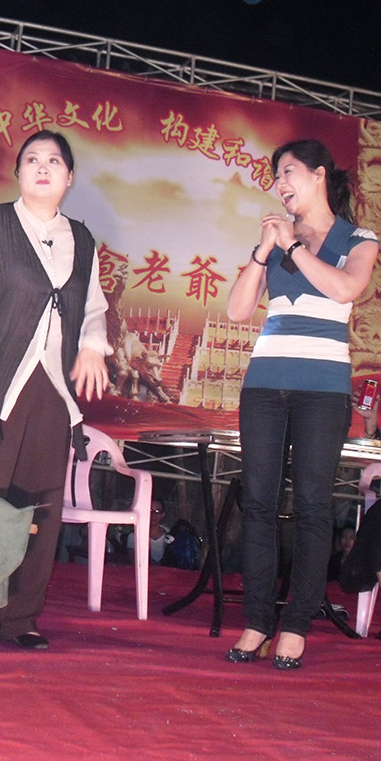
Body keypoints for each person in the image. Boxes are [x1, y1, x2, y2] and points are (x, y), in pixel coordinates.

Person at [0, 130, 110, 652]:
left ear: (70, 177)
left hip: (52, 390)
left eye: (54, 161)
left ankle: (21, 616)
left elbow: (93, 306)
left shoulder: (82, 239)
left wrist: (93, 346)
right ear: (19, 173)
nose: (43, 168)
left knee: (39, 509)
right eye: (32, 159)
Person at [225, 138, 378, 669]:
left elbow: (344, 289)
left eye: (287, 172)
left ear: (318, 175)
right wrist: (263, 250)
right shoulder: (276, 239)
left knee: (313, 506)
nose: (279, 185)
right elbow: (238, 309)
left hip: (323, 389)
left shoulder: (358, 238)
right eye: (275, 177)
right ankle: (256, 621)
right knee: (258, 503)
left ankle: (295, 626)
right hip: (265, 384)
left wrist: (292, 247)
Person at [128, 498, 168, 563]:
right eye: (150, 510)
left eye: (157, 511)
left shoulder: (170, 534)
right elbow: (135, 559)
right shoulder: (134, 535)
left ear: (162, 515)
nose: (153, 514)